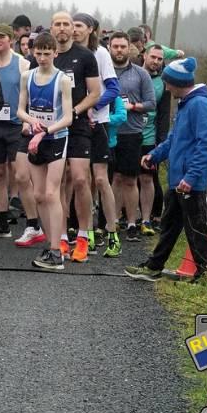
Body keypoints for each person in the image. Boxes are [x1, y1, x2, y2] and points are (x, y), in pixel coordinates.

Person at [126, 57, 207, 282]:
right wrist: (154, 155)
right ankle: (154, 266)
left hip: (190, 182)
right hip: (178, 180)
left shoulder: (200, 105)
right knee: (169, 226)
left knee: (195, 228)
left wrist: (191, 177)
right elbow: (174, 139)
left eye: (168, 83)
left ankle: (205, 274)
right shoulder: (186, 103)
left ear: (178, 83)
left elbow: (206, 145)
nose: (166, 88)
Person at [16, 33, 74, 271]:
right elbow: (20, 110)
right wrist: (32, 122)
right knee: (38, 195)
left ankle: (57, 249)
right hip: (35, 139)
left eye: (46, 53)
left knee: (51, 194)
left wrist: (45, 131)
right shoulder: (27, 76)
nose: (42, 58)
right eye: (38, 53)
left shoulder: (63, 80)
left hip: (56, 139)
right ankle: (52, 246)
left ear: (55, 54)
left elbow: (68, 118)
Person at [51, 11, 101, 263]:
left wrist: (75, 111)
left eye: (66, 24)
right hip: (53, 126)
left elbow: (95, 92)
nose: (61, 28)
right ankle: (61, 237)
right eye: (57, 24)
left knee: (81, 179)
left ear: (73, 29)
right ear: (51, 29)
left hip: (78, 124)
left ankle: (83, 236)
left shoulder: (85, 56)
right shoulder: (46, 55)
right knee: (59, 181)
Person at [71, 13, 119, 255]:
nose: (74, 29)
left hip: (97, 122)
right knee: (81, 180)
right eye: (72, 25)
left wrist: (93, 106)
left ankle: (112, 232)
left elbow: (113, 88)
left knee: (100, 179)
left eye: (79, 26)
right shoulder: (66, 54)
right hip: (74, 124)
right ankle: (86, 232)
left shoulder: (100, 53)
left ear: (90, 29)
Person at [0, 24, 35, 240]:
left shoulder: (22, 63)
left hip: (17, 125)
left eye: (1, 37)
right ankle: (2, 222)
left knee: (21, 175)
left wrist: (28, 120)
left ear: (11, 39)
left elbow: (31, 93)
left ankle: (33, 223)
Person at [108, 31, 156, 242]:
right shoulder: (103, 72)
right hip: (108, 132)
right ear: (109, 48)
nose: (119, 50)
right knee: (112, 179)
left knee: (129, 179)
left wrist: (133, 106)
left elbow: (151, 103)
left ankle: (131, 223)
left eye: (122, 46)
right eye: (115, 46)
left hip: (131, 132)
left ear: (129, 49)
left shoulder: (140, 74)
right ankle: (112, 221)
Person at [140, 45, 171, 234]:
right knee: (122, 178)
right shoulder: (132, 73)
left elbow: (164, 115)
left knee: (148, 177)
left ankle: (151, 217)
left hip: (150, 136)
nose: (156, 62)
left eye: (160, 59)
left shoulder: (163, 82)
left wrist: (161, 143)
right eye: (153, 57)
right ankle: (122, 218)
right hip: (128, 134)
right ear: (145, 56)